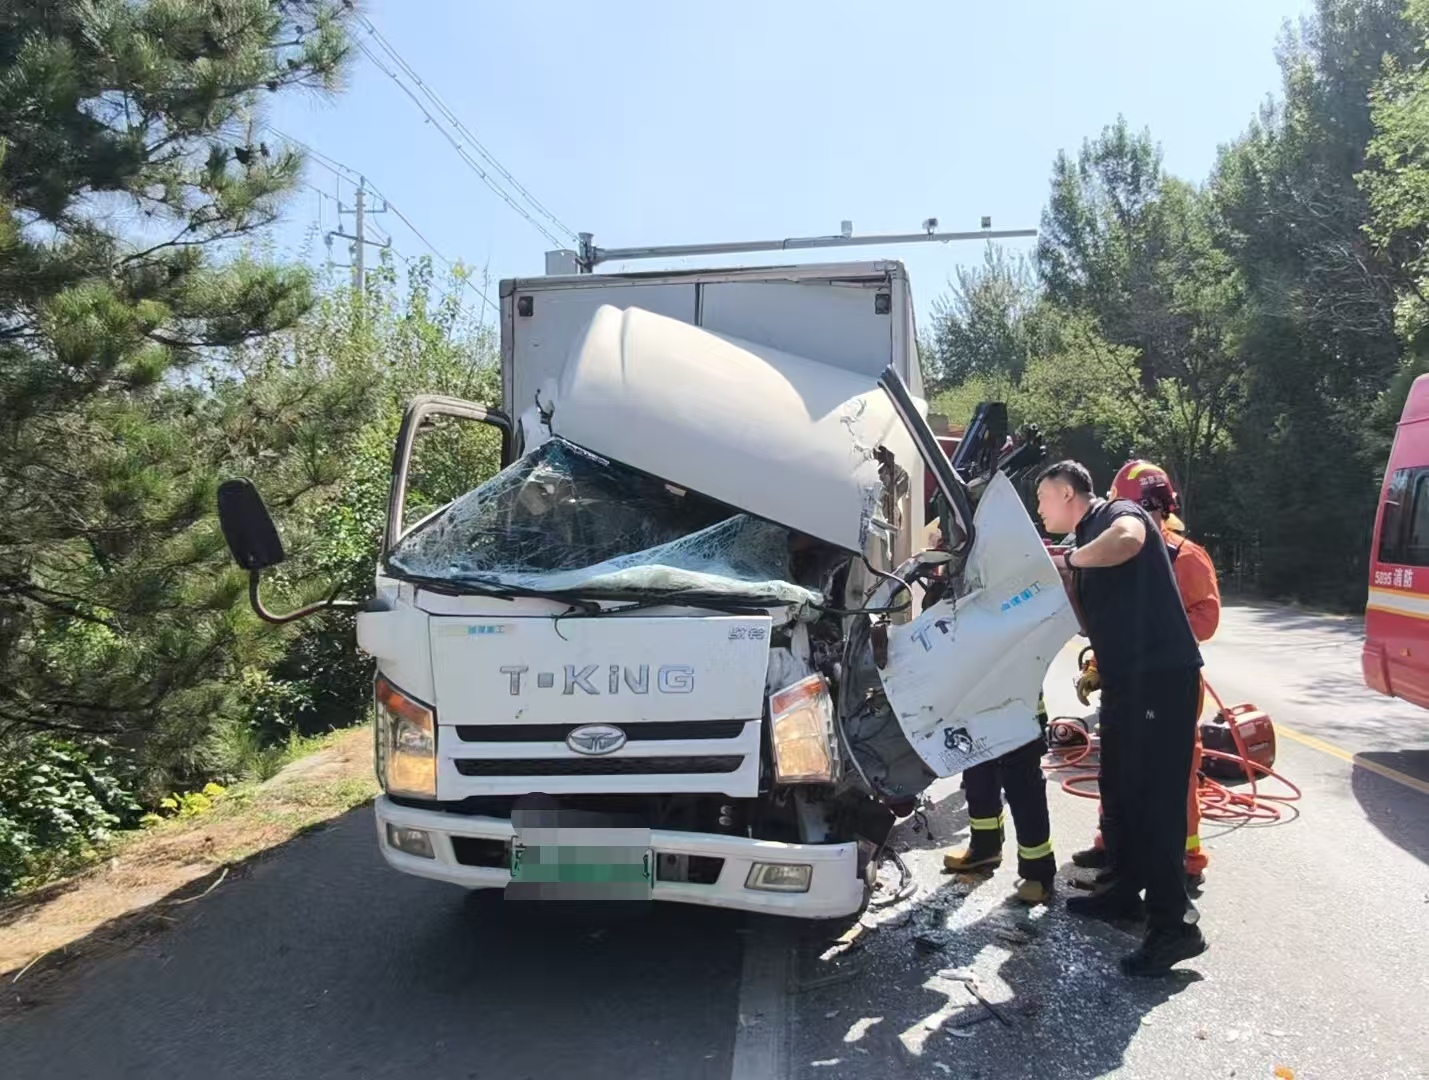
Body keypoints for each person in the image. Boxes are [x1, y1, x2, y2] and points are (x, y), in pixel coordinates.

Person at [1035, 459, 1208, 976]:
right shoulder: (1085, 541)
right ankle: (1124, 892)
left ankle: (1174, 928)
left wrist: (1071, 558)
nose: (1040, 510)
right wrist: (1065, 578)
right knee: (1123, 790)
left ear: (1068, 493)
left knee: (1155, 803)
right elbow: (1088, 616)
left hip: (1160, 678)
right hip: (1127, 681)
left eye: (1043, 499)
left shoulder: (1118, 512)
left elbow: (1132, 539)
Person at [1072, 460, 1222, 887]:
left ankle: (1184, 855)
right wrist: (1098, 665)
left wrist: (1153, 636)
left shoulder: (1184, 555)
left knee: (1170, 771)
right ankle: (1114, 846)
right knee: (1118, 766)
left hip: (1165, 678)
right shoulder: (1117, 547)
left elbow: (1205, 621)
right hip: (1126, 675)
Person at [941, 695, 1056, 905]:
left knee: (1023, 789)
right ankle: (985, 848)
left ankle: (1038, 872)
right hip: (974, 712)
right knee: (978, 780)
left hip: (1018, 708)